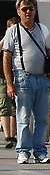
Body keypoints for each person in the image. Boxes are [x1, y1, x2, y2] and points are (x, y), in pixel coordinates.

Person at [3, 0, 50, 164]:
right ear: (18, 12)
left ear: (35, 11)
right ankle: (23, 151)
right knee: (24, 117)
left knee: (42, 119)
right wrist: (10, 84)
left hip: (42, 79)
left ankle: (40, 152)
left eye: (31, 9)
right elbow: (6, 57)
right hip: (23, 78)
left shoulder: (42, 29)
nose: (28, 12)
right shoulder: (13, 31)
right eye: (24, 9)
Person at [0, 17, 19, 148]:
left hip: (18, 76)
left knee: (15, 108)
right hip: (3, 77)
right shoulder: (4, 40)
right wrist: (6, 37)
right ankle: (7, 136)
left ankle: (13, 136)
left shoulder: (21, 40)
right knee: (4, 106)